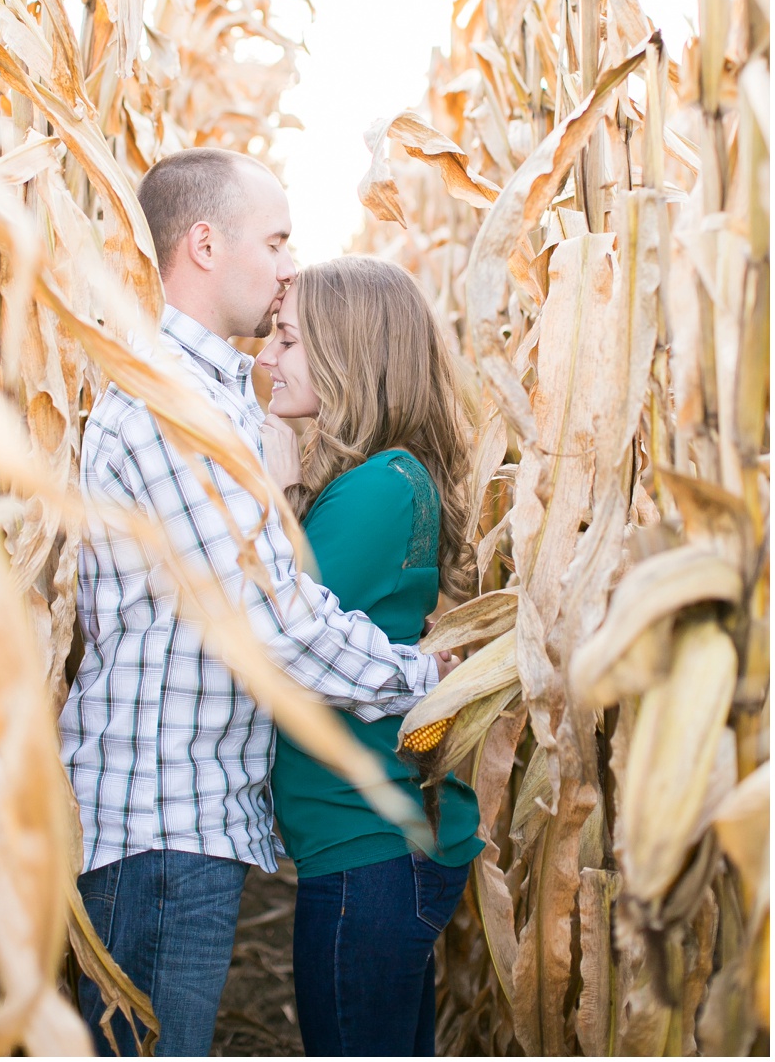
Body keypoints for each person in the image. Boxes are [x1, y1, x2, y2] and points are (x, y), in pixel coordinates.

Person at [59, 147, 451, 1057]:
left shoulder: (218, 401)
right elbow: (272, 620)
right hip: (158, 827)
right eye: (276, 241)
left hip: (185, 825)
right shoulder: (173, 407)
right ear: (204, 243)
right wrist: (424, 676)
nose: (287, 270)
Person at [254, 256, 483, 1057]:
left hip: (367, 854)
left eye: (286, 340)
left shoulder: (381, 486)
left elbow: (281, 631)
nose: (266, 358)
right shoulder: (389, 476)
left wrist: (281, 498)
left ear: (349, 350)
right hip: (382, 845)